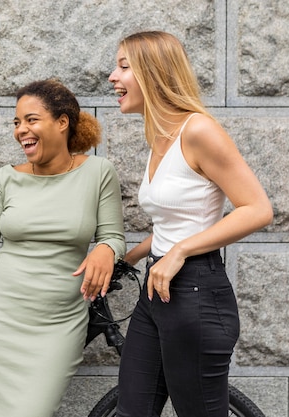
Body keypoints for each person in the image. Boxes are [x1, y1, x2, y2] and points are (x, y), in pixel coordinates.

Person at [107, 31, 273, 417]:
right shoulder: (159, 136)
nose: (113, 77)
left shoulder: (198, 131)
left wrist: (179, 251)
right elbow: (177, 222)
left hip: (196, 293)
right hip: (157, 291)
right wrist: (128, 259)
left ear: (153, 72)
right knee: (133, 410)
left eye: (123, 66)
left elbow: (258, 208)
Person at [0, 79, 126, 417]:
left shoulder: (99, 172)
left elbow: (114, 235)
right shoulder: (5, 179)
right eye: (16, 122)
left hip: (59, 325)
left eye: (31, 119)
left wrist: (106, 249)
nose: (20, 130)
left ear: (62, 122)